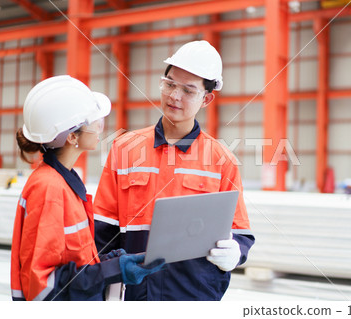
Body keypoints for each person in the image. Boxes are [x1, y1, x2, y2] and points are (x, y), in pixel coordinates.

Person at [93, 40, 255, 301]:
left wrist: (234, 252)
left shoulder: (222, 160)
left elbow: (240, 232)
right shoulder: (124, 148)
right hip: (136, 295)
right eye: (169, 84)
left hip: (193, 296)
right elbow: (102, 231)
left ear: (207, 98)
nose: (174, 96)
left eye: (188, 90)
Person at [10, 75, 164, 301]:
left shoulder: (64, 182)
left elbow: (70, 258)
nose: (101, 128)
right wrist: (113, 270)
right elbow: (44, 286)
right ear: (72, 136)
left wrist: (107, 261)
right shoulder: (49, 189)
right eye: (95, 122)